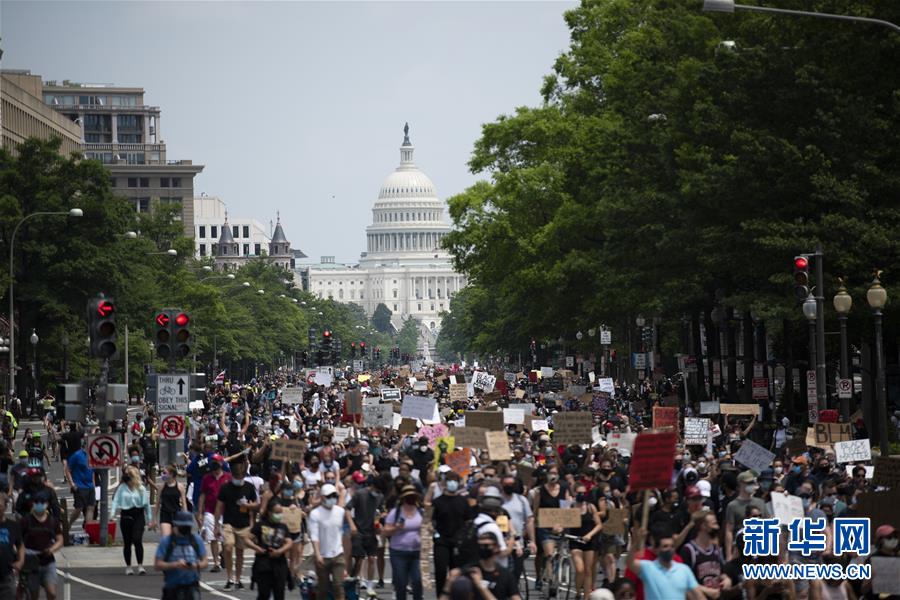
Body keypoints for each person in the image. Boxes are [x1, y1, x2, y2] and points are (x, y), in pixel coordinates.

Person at [625, 526, 705, 600]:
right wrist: (636, 543)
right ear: (656, 550)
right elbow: (630, 562)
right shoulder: (648, 568)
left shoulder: (684, 569)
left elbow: (697, 595)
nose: (669, 549)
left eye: (672, 546)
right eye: (665, 546)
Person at [215, 460, 259, 590]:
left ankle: (238, 580)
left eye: (241, 476)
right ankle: (229, 577)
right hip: (228, 523)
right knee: (228, 546)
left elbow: (256, 505)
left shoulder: (249, 487)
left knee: (240, 552)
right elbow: (219, 507)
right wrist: (216, 525)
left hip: (244, 524)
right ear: (232, 475)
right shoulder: (225, 487)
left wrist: (248, 508)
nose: (238, 479)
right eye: (236, 476)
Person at [440, 531, 522, 600]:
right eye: (480, 545)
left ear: (497, 547)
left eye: (487, 545)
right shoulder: (468, 572)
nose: (483, 548)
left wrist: (481, 587)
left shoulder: (505, 575)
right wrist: (448, 584)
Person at [309, 482, 355, 600]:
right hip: (322, 556)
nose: (332, 499)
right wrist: (318, 554)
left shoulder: (339, 511)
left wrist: (351, 525)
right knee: (323, 588)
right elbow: (314, 536)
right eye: (329, 496)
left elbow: (345, 525)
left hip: (337, 554)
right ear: (323, 497)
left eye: (334, 496)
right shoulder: (315, 514)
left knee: (338, 585)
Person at [433, 471, 474, 594]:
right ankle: (441, 595)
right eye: (450, 480)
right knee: (440, 570)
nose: (452, 483)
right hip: (441, 542)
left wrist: (467, 538)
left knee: (456, 571)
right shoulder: (437, 502)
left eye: (454, 480)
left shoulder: (463, 502)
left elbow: (469, 521)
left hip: (458, 543)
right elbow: (429, 521)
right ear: (445, 483)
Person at [20, 490, 64, 600]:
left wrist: (51, 549)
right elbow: (17, 541)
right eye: (36, 502)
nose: (39, 504)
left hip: (48, 561)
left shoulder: (52, 521)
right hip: (31, 563)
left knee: (52, 593)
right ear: (33, 504)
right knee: (33, 595)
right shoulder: (26, 521)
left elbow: (60, 540)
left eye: (42, 502)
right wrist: (21, 555)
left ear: (47, 504)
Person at [111, 465, 154, 575]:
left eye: (129, 476)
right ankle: (128, 566)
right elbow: (115, 500)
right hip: (126, 515)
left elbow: (147, 506)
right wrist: (112, 514)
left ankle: (140, 565)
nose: (127, 478)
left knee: (137, 539)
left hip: (138, 515)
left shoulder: (141, 488)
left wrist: (150, 520)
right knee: (127, 542)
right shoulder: (122, 488)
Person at [155, 511, 208, 600]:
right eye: (182, 526)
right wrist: (175, 564)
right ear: (176, 525)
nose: (185, 529)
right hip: (172, 587)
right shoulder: (167, 541)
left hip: (192, 586)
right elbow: (157, 565)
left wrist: (195, 565)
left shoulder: (196, 540)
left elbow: (205, 562)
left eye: (187, 527)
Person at [383, 484, 424, 600]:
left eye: (413, 496)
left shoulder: (421, 512)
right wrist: (397, 527)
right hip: (398, 552)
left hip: (416, 552)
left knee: (417, 580)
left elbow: (427, 529)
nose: (411, 499)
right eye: (409, 496)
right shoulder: (395, 513)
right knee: (400, 583)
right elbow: (385, 531)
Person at [246, 500, 293, 600]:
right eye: (276, 513)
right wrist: (257, 548)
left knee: (279, 594)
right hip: (264, 564)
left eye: (280, 513)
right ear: (269, 512)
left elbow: (289, 542)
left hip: (280, 564)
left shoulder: (283, 527)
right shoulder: (260, 525)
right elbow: (246, 539)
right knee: (264, 594)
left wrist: (279, 551)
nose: (279, 515)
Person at [347, 470, 384, 597]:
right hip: (359, 531)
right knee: (358, 559)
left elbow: (383, 511)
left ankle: (369, 587)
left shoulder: (380, 496)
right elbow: (347, 509)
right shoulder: (359, 494)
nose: (378, 493)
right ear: (372, 486)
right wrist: (352, 525)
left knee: (372, 558)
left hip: (372, 532)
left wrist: (380, 519)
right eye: (377, 490)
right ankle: (352, 582)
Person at [568, 483, 602, 600]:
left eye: (584, 492)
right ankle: (578, 592)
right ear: (574, 493)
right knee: (580, 569)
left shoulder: (590, 507)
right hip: (575, 540)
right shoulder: (570, 506)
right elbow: (562, 522)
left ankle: (587, 596)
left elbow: (599, 525)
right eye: (579, 493)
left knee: (588, 570)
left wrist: (590, 535)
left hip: (589, 541)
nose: (581, 495)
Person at [198, 454, 228, 574]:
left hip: (225, 512)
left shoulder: (227, 477)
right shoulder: (207, 478)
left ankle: (224, 554)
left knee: (226, 539)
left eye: (217, 461)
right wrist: (200, 512)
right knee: (213, 537)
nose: (215, 464)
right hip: (210, 511)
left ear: (221, 463)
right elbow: (203, 495)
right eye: (213, 462)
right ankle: (216, 562)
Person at [64, 439, 95, 527]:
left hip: (90, 486)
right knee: (79, 508)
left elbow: (92, 471)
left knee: (91, 507)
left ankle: (88, 528)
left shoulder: (93, 455)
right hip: (79, 486)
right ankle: (68, 525)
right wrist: (72, 484)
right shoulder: (77, 455)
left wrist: (94, 484)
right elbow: (68, 469)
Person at [0, 493, 25, 598]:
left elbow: (20, 545)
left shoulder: (12, 526)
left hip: (7, 574)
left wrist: (20, 561)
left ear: (5, 506)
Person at [156, 464, 187, 537]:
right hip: (165, 514)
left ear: (171, 474)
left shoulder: (180, 486)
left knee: (177, 538)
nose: (163, 475)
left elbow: (184, 503)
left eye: (165, 473)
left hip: (176, 514)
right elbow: (157, 503)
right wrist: (154, 519)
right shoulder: (162, 487)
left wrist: (185, 517)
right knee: (166, 538)